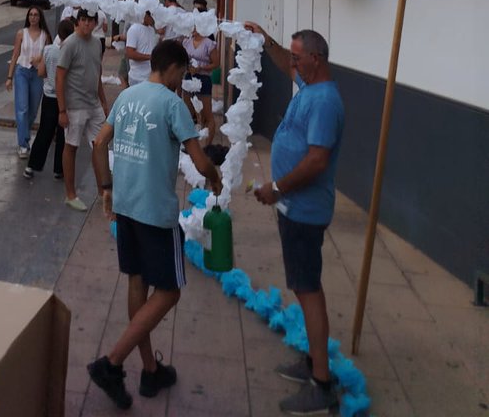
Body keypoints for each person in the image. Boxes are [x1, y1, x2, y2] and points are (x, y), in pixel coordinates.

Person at [88, 39, 222, 409]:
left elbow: (99, 144)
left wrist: (106, 189)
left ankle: (150, 370)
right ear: (176, 68)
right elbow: (199, 159)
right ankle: (112, 363)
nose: (183, 79)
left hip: (126, 207)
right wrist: (215, 178)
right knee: (169, 292)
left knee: (138, 282)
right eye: (184, 73)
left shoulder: (127, 96)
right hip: (157, 215)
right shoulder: (172, 103)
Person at [245, 23, 345, 417]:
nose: (293, 62)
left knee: (308, 290)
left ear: (315, 60)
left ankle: (322, 385)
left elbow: (318, 160)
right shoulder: (309, 85)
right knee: (303, 287)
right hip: (293, 209)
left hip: (304, 211)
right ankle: (312, 361)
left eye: (298, 57)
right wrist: (264, 38)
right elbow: (285, 60)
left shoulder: (323, 101)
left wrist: (278, 188)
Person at [56, 9, 109, 212]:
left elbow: (97, 72)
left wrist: (102, 100)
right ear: (77, 22)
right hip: (74, 106)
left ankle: (102, 190)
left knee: (100, 145)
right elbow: (60, 77)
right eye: (83, 20)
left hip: (93, 104)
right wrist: (62, 110)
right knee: (71, 147)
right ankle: (70, 194)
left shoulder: (96, 43)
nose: (87, 24)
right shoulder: (69, 44)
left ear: (96, 22)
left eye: (90, 20)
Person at [24, 17, 74, 180]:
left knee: (44, 131)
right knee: (62, 134)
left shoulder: (48, 50)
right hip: (65, 98)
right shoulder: (71, 53)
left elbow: (40, 72)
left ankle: (32, 165)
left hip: (49, 96)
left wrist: (49, 78)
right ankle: (59, 169)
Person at [5, 5, 51, 158]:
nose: (33, 17)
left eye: (36, 15)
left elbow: (49, 55)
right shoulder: (21, 33)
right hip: (22, 72)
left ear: (40, 17)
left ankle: (25, 137)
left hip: (37, 74)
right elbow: (15, 55)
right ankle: (23, 144)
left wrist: (40, 59)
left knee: (32, 111)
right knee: (22, 108)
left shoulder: (45, 35)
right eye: (30, 15)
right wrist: (9, 77)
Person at [183, 18, 220, 142]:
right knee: (189, 110)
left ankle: (208, 144)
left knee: (206, 113)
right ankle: (192, 141)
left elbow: (216, 63)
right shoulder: (187, 42)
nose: (192, 30)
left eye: (194, 27)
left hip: (203, 78)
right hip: (189, 78)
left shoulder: (209, 43)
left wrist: (201, 68)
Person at [125, 9, 158, 87]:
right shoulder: (134, 29)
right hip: (137, 77)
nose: (154, 19)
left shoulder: (151, 30)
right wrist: (150, 57)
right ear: (145, 15)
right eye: (152, 16)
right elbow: (130, 53)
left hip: (150, 76)